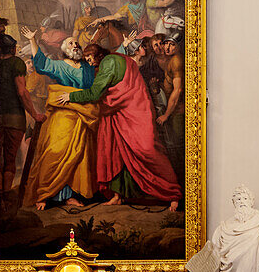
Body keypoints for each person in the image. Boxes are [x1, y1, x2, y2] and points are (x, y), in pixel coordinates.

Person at [59, 46, 180, 208]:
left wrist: (71, 96)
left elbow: (95, 93)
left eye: (90, 58)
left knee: (148, 149)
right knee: (115, 151)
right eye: (86, 60)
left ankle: (172, 192)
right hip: (116, 113)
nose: (89, 62)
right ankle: (118, 195)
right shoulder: (114, 59)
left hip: (135, 110)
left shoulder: (109, 63)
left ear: (99, 55)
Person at [20, 26, 97, 210]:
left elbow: (96, 85)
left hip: (83, 115)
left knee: (79, 156)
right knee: (55, 152)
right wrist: (32, 40)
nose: (75, 45)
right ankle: (46, 193)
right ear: (64, 50)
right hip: (64, 115)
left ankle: (70, 196)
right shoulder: (60, 66)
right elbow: (42, 64)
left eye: (76, 43)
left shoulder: (87, 67)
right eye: (71, 43)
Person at [0, 33, 45, 199]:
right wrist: (34, 114)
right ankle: (6, 197)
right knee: (10, 159)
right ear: (13, 48)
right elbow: (22, 92)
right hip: (14, 117)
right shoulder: (16, 63)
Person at [158, 33, 185, 184]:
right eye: (166, 43)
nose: (167, 47)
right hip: (173, 111)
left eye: (172, 44)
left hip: (177, 112)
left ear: (178, 46)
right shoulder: (170, 60)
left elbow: (178, 90)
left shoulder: (176, 61)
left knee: (177, 150)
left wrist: (166, 115)